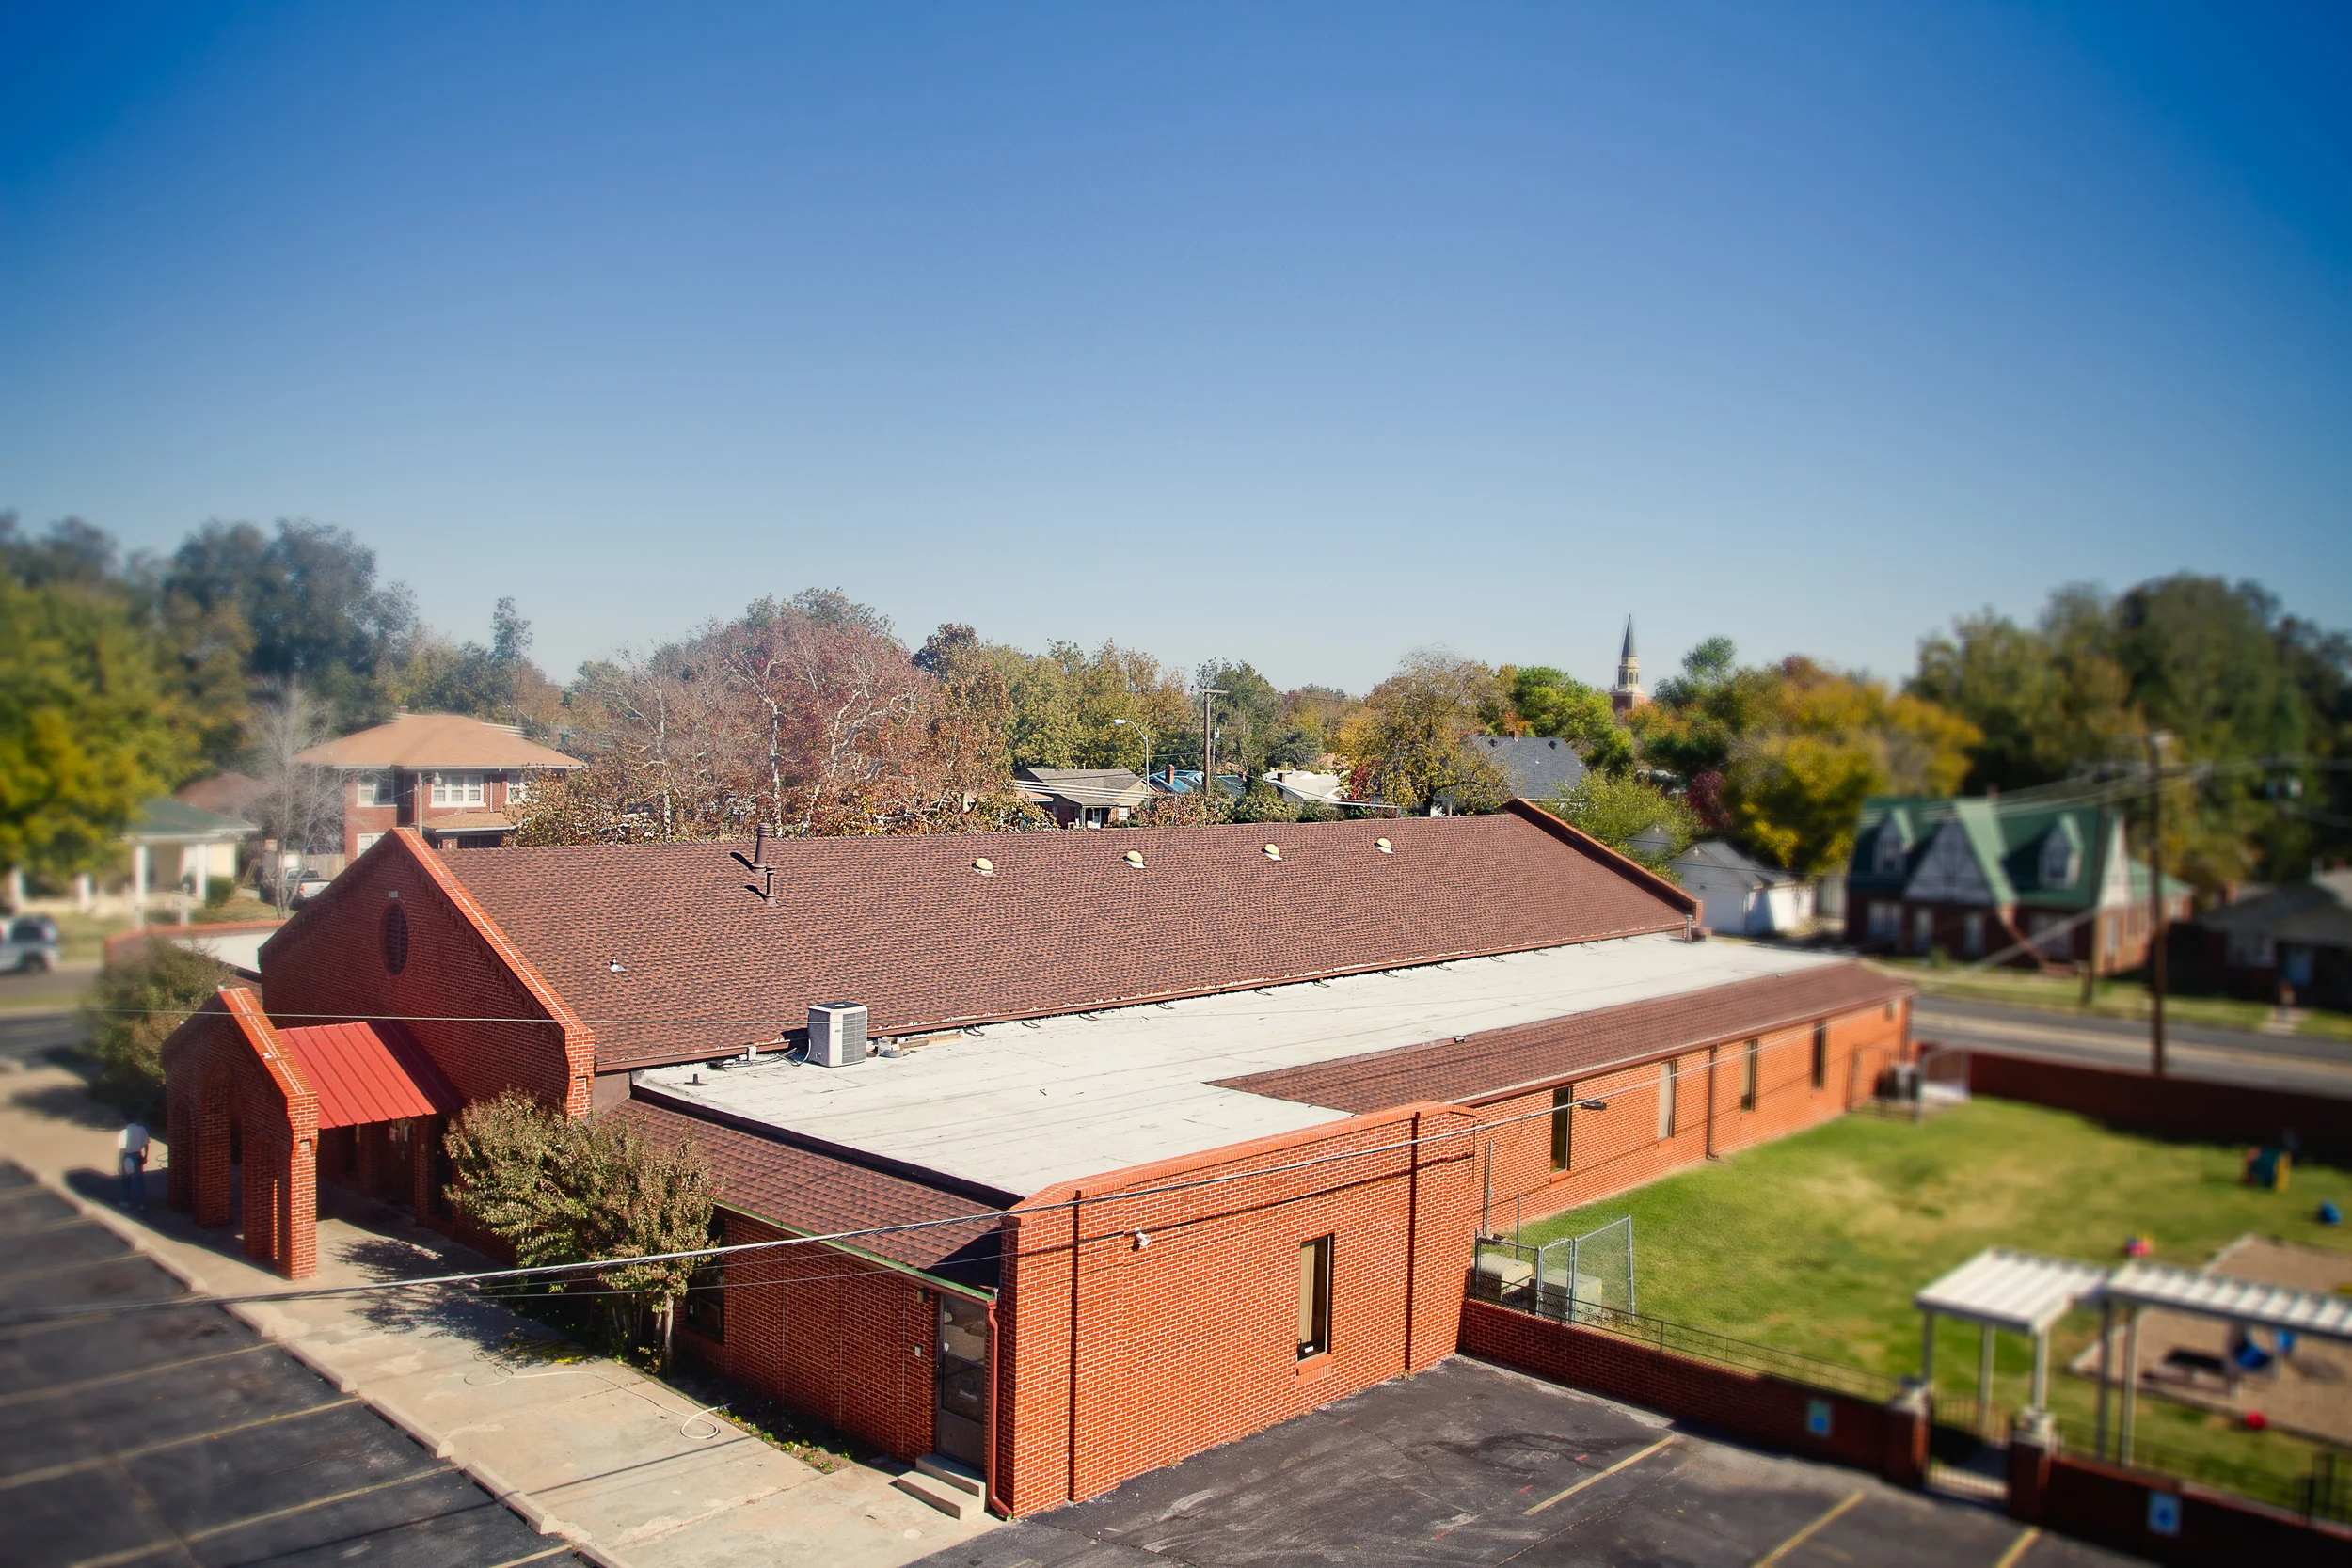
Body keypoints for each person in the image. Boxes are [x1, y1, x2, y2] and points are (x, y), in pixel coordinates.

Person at [119, 1121, 150, 1211]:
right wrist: (145, 1156)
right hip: (138, 1155)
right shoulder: (141, 1129)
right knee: (139, 1180)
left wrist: (120, 1164)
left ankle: (127, 1201)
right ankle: (142, 1203)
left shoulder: (125, 1132)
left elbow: (122, 1149)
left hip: (127, 1157)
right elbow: (146, 1144)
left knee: (126, 1180)